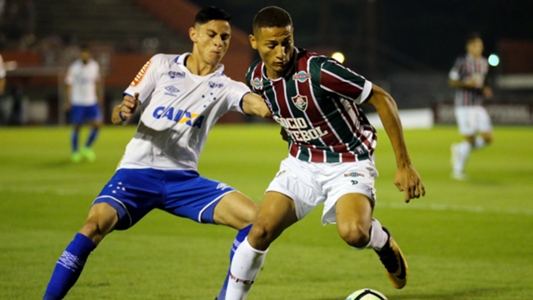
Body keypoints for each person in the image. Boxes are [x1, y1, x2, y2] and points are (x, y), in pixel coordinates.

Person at [43, 6, 270, 300]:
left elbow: (257, 105)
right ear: (194, 35)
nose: (218, 43)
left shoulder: (226, 86)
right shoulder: (161, 65)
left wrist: (278, 103)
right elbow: (121, 109)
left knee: (256, 221)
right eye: (212, 35)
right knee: (92, 227)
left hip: (183, 180)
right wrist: (121, 111)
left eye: (225, 38)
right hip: (136, 172)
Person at [223, 6, 425, 300]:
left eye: (287, 42)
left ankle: (381, 241)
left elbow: (383, 99)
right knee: (260, 231)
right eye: (272, 45)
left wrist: (404, 164)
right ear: (254, 42)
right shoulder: (255, 78)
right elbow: (286, 112)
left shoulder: (320, 70)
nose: (281, 52)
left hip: (349, 160)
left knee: (354, 233)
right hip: (301, 163)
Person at [449, 32, 493, 180]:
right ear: (469, 46)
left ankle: (460, 149)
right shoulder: (462, 62)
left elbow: (483, 81)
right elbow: (452, 81)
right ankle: (457, 170)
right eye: (475, 45)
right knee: (470, 139)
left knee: (487, 138)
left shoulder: (484, 63)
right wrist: (466, 83)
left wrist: (486, 88)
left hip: (478, 105)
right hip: (464, 106)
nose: (479, 48)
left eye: (480, 45)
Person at [64, 44, 103, 162]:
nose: (84, 55)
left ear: (89, 54)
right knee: (77, 126)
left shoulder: (95, 66)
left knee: (97, 124)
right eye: (82, 53)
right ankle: (75, 152)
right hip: (78, 101)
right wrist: (68, 100)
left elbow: (96, 82)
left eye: (86, 53)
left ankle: (86, 147)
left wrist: (98, 96)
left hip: (91, 101)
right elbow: (69, 84)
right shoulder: (74, 67)